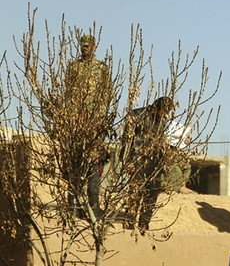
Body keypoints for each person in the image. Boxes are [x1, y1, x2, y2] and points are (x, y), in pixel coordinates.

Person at [63, 33, 113, 219]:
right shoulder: (73, 67)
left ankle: (94, 210)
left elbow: (107, 92)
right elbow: (68, 90)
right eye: (82, 45)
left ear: (94, 47)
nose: (84, 48)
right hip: (76, 120)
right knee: (74, 162)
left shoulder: (101, 68)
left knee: (95, 163)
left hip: (95, 120)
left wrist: (99, 116)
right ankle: (72, 210)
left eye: (87, 45)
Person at [120, 96, 175, 232]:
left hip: (155, 162)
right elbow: (127, 140)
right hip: (137, 161)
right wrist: (128, 161)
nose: (165, 115)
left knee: (152, 194)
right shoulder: (136, 115)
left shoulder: (161, 121)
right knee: (135, 193)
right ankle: (129, 224)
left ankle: (144, 225)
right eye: (163, 112)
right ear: (156, 108)